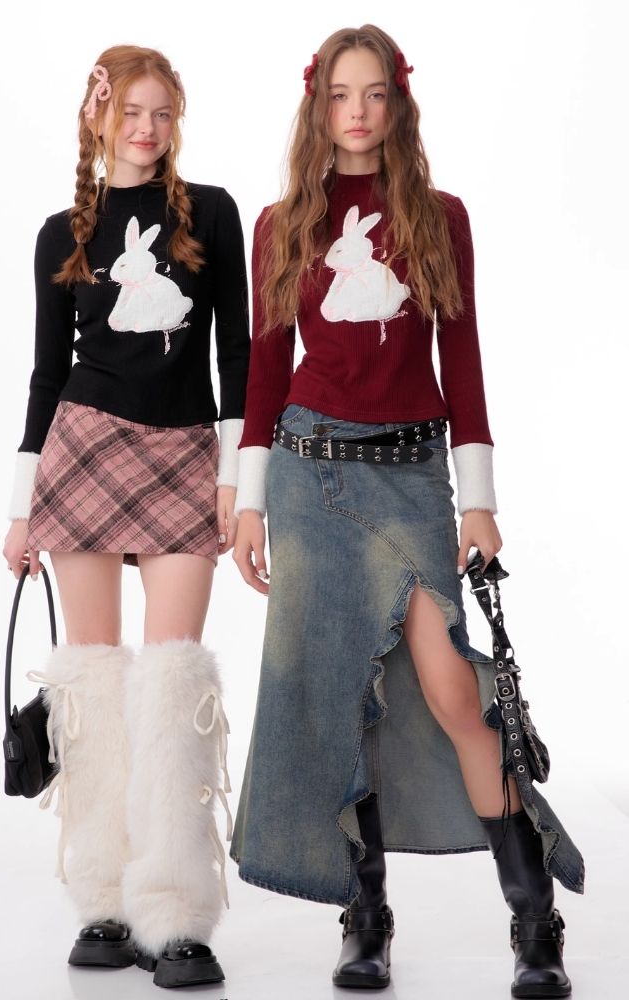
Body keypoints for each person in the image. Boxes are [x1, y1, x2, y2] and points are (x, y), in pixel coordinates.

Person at [231, 24, 583, 998]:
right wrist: (249, 504)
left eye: (375, 93)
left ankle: (535, 921)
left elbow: (460, 359)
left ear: (398, 102)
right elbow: (264, 372)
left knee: (453, 690)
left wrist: (479, 502)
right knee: (341, 702)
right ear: (318, 106)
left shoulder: (439, 215)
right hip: (308, 478)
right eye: (341, 94)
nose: (358, 111)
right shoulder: (281, 223)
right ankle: (365, 915)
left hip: (411, 474)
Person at [2, 44, 248, 989]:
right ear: (98, 117)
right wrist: (21, 511)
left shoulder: (211, 213)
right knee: (95, 682)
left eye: (162, 113)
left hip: (186, 452)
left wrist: (238, 477)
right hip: (85, 448)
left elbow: (237, 354)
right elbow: (45, 375)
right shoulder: (60, 233)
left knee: (175, 680)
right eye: (131, 112)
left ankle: (176, 908)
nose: (147, 129)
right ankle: (104, 900)